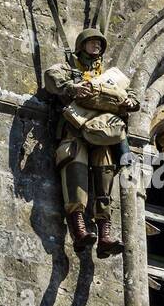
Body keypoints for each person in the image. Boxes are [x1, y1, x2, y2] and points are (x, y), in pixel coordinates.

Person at [43, 28, 137, 256]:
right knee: (75, 173)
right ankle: (79, 231)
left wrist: (129, 103)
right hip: (76, 131)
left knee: (105, 175)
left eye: (99, 44)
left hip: (103, 133)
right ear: (82, 45)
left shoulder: (110, 75)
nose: (96, 46)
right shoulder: (69, 69)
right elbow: (50, 77)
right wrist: (71, 88)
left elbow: (131, 95)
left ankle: (105, 233)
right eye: (92, 42)